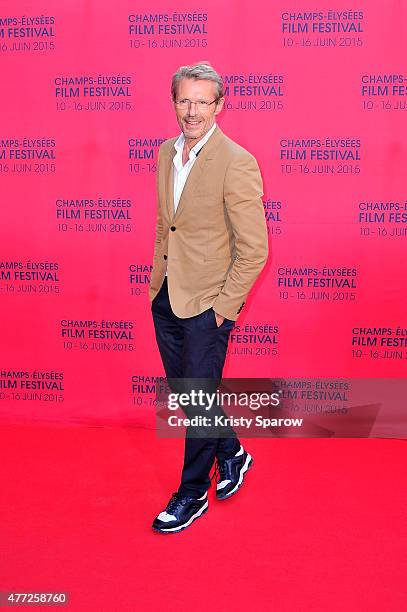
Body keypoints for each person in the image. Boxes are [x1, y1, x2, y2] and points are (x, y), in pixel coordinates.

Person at [149, 61, 269, 533]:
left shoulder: (237, 161)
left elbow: (254, 248)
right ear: (174, 102)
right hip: (166, 295)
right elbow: (167, 225)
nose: (192, 110)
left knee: (197, 397)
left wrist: (223, 309)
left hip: (208, 305)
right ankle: (234, 453)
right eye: (184, 100)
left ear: (219, 105)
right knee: (189, 394)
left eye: (202, 100)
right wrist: (156, 284)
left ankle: (192, 492)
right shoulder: (165, 153)